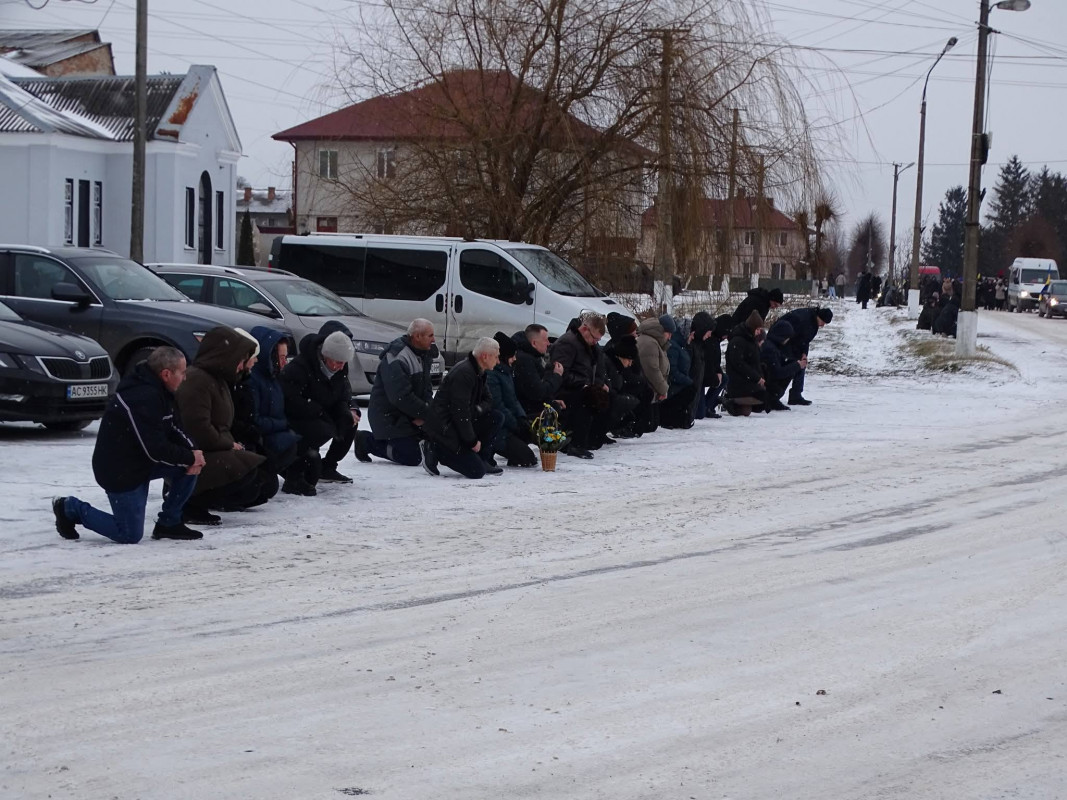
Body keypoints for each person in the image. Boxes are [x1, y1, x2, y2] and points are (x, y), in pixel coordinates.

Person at [52, 346, 206, 543]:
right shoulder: (142, 397)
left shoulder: (163, 390)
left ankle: (169, 523)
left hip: (143, 462)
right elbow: (154, 448)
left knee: (192, 464)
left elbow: (174, 426)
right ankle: (70, 508)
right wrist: (189, 457)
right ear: (166, 374)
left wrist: (194, 452)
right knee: (129, 534)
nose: (185, 378)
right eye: (183, 372)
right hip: (120, 471)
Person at [175, 326, 272, 522]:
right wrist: (229, 445)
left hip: (211, 449)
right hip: (196, 454)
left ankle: (196, 499)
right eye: (240, 360)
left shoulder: (217, 380)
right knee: (248, 473)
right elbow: (198, 427)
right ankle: (188, 501)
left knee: (261, 479)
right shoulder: (198, 381)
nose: (241, 366)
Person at [281, 325, 359, 486]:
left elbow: (343, 394)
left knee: (349, 421)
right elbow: (290, 399)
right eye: (338, 362)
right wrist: (319, 412)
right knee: (321, 429)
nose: (341, 367)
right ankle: (298, 465)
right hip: (298, 416)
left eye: (344, 362)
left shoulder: (340, 368)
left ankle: (329, 465)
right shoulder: (300, 367)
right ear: (326, 356)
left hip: (323, 410)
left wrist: (346, 410)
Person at [356, 318, 436, 467]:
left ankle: (413, 436)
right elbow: (401, 398)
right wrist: (424, 415)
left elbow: (427, 389)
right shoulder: (397, 357)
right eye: (430, 335)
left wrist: (428, 414)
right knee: (412, 457)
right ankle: (367, 441)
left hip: (408, 414)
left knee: (438, 440)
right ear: (417, 336)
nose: (434, 339)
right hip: (388, 417)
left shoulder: (424, 354)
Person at [421, 337, 505, 479]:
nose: (498, 361)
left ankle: (482, 458)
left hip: (461, 422)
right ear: (485, 356)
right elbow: (459, 412)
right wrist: (471, 441)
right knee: (476, 471)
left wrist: (477, 410)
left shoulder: (478, 371)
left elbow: (489, 400)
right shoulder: (464, 373)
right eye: (496, 357)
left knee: (496, 417)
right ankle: (434, 448)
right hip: (445, 430)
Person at [244, 326, 305, 495]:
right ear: (270, 356)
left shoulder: (274, 378)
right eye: (282, 357)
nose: (285, 362)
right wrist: (282, 425)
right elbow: (254, 419)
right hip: (262, 437)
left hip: (273, 431)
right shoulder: (253, 380)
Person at [548, 311, 610, 459]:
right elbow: (560, 372)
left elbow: (599, 369)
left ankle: (592, 439)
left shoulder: (589, 345)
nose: (596, 342)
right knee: (586, 399)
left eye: (598, 340)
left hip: (583, 386)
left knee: (605, 396)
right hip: (565, 390)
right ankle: (576, 444)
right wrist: (584, 385)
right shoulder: (567, 343)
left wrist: (599, 384)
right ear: (584, 329)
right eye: (595, 338)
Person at [485, 331, 538, 467]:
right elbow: (498, 405)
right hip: (498, 427)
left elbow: (513, 400)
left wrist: (522, 419)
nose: (515, 359)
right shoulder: (492, 376)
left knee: (528, 444)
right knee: (527, 458)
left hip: (507, 423)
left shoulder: (506, 371)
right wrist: (515, 425)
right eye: (512, 356)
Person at [776, 306, 832, 405]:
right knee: (791, 366)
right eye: (823, 322)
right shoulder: (804, 319)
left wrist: (804, 354)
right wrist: (797, 355)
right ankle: (776, 395)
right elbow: (794, 337)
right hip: (781, 342)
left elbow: (805, 340)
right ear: (819, 317)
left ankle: (795, 395)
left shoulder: (812, 321)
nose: (823, 325)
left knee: (801, 364)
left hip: (792, 344)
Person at [512, 323, 565, 417]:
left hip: (527, 407)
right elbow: (537, 392)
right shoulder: (525, 360)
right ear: (534, 343)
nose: (548, 343)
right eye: (545, 340)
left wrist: (551, 401)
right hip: (527, 412)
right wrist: (556, 376)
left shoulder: (530, 356)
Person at [723, 310, 767, 416]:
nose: (758, 332)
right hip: (739, 380)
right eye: (757, 329)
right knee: (759, 400)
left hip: (748, 379)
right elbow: (739, 364)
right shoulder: (738, 341)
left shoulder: (751, 340)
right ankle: (729, 400)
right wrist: (756, 377)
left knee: (764, 399)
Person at [659, 314, 697, 429]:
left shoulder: (681, 346)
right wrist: (688, 381)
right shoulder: (675, 347)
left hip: (677, 384)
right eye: (691, 334)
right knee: (690, 390)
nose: (692, 337)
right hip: (673, 386)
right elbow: (673, 371)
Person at [760, 320, 804, 411]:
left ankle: (773, 398)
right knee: (791, 368)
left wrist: (795, 362)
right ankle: (773, 398)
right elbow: (777, 372)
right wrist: (796, 366)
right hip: (766, 385)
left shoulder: (771, 344)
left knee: (792, 365)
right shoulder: (770, 349)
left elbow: (781, 360)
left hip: (765, 382)